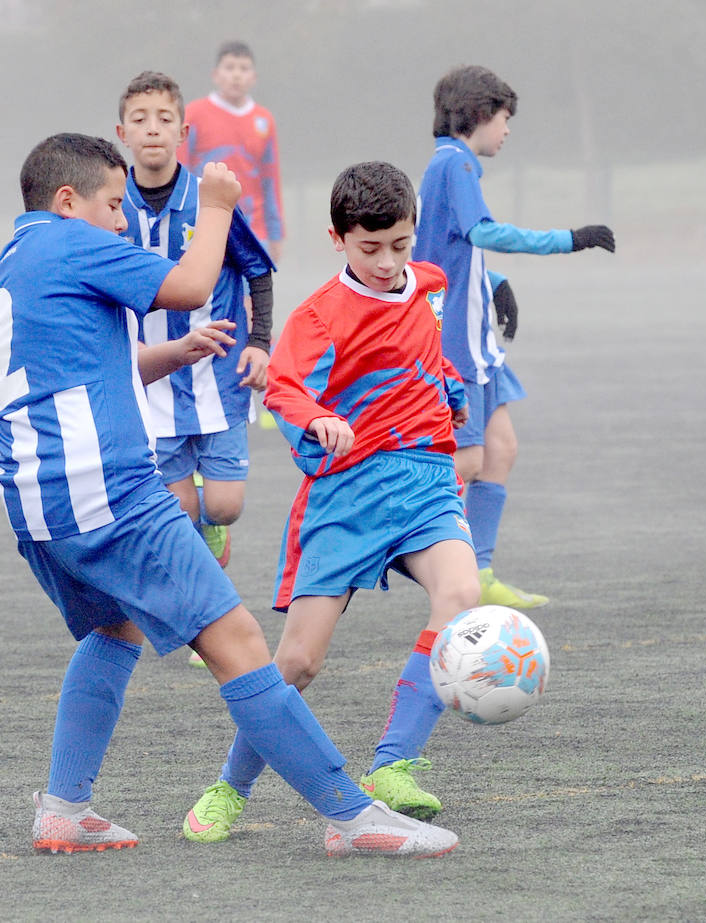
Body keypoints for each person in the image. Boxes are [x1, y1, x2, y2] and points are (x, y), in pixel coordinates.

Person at [0, 133, 457, 858]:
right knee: (237, 640)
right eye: (113, 205)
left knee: (114, 629)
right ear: (66, 200)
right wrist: (214, 205)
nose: (120, 221)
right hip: (105, 489)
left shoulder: (18, 257)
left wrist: (175, 353)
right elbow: (189, 284)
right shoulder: (67, 240)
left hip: (37, 497)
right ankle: (354, 815)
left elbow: (95, 364)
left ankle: (64, 808)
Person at [182, 161, 477, 844]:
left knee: (460, 594)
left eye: (399, 245)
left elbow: (426, 355)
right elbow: (283, 389)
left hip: (426, 480)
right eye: (369, 248)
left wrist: (451, 387)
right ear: (338, 239)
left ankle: (392, 764)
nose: (387, 262)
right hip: (349, 492)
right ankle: (231, 784)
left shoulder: (426, 283)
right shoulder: (318, 316)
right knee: (296, 663)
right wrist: (316, 420)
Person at [414, 65, 615, 611]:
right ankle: (438, 566)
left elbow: (448, 250)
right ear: (479, 115)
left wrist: (496, 284)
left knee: (500, 449)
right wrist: (569, 239)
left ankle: (478, 571)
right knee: (467, 462)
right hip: (456, 347)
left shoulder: (448, 165)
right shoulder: (455, 163)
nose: (507, 131)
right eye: (504, 120)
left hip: (479, 344)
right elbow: (483, 232)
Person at [116, 70, 275, 577]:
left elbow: (258, 269)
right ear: (123, 134)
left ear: (184, 132)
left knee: (225, 506)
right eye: (140, 119)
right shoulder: (112, 209)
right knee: (177, 511)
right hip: (152, 383)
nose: (153, 129)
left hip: (219, 376)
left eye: (165, 118)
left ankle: (216, 528)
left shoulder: (213, 198)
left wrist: (260, 343)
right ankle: (209, 612)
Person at [179, 40, 284, 263]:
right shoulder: (194, 114)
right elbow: (181, 170)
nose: (236, 75)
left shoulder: (264, 120)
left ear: (253, 77)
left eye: (243, 69)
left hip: (253, 229)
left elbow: (270, 180)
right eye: (230, 68)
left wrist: (276, 234)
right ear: (216, 75)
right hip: (204, 223)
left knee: (252, 296)